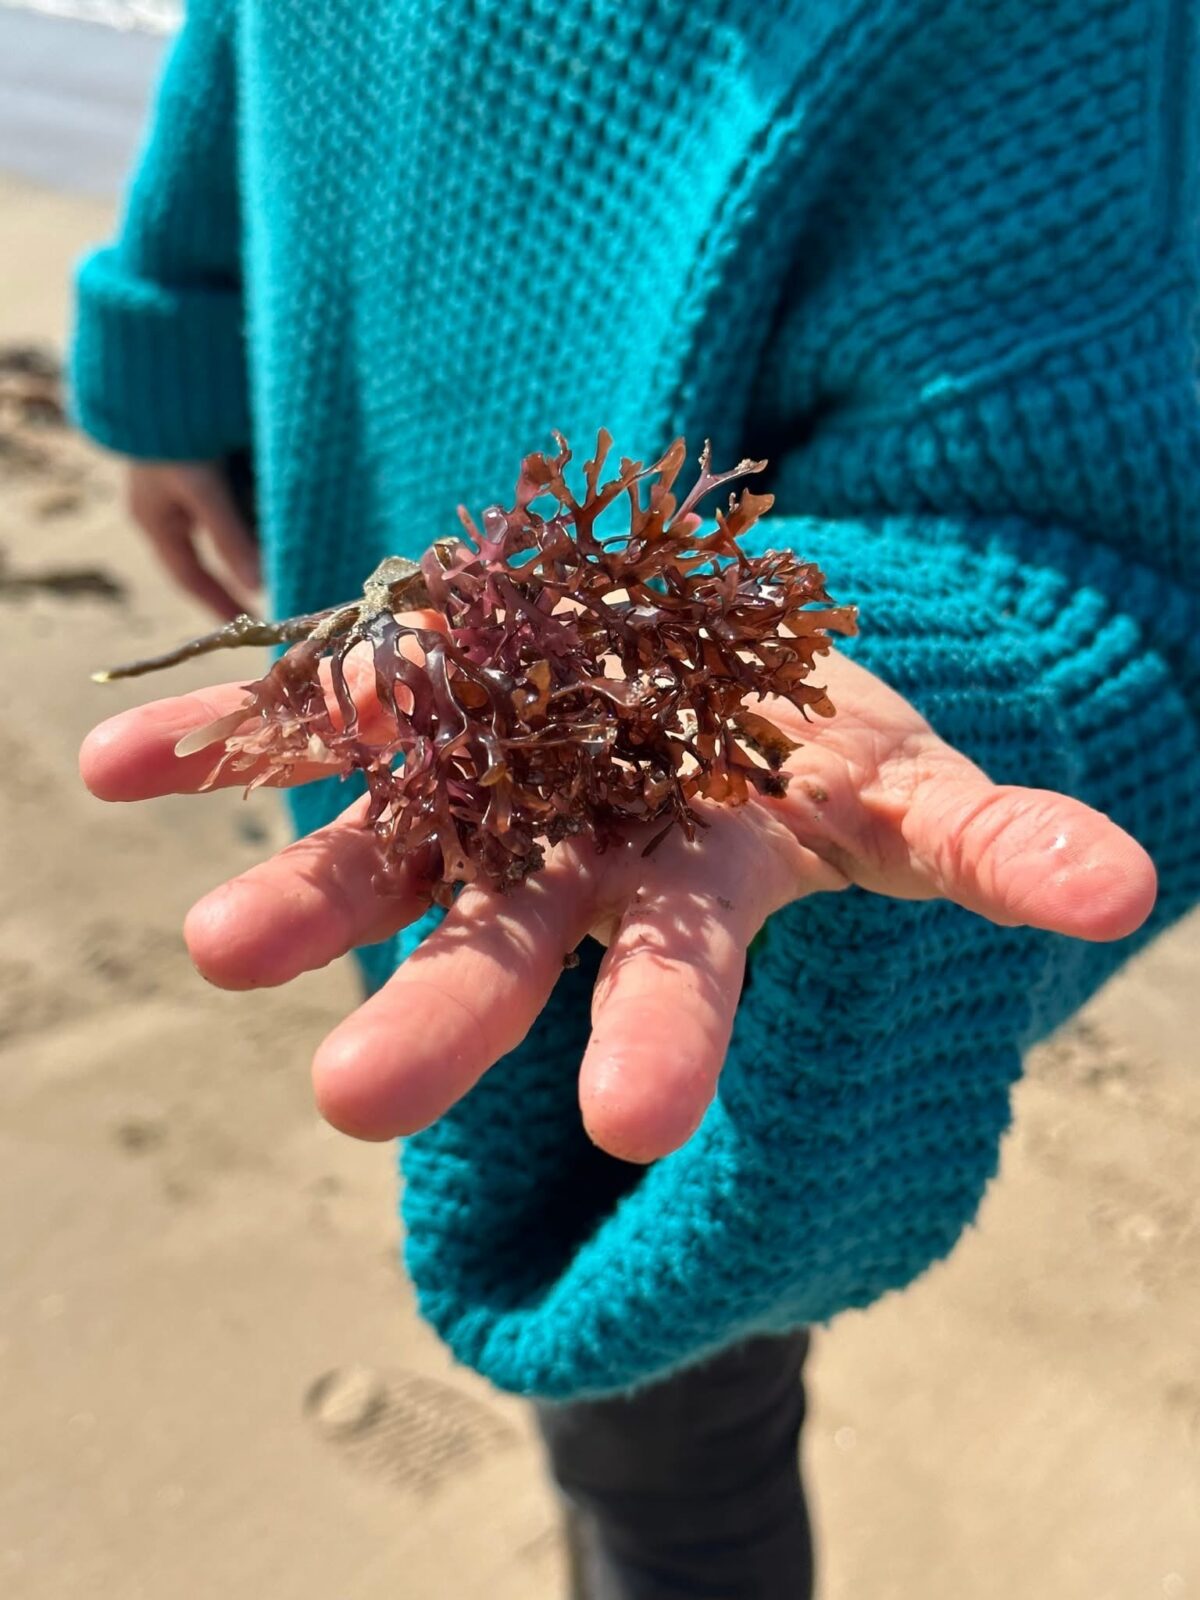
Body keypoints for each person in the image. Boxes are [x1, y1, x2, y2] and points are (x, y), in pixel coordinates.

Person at [73, 1, 1199, 1594]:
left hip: (725, 932)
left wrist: (901, 677)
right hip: (400, 650)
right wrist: (173, 334)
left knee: (659, 1436)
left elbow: (1097, 536)